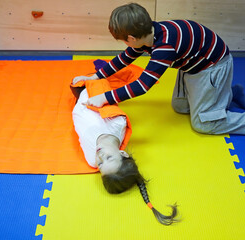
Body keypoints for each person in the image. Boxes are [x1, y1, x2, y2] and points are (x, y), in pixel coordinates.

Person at [72, 3, 245, 146]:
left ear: (132, 38)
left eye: (125, 41)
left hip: (212, 67)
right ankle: (227, 93)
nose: (126, 45)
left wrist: (105, 98)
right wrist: (95, 77)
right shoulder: (149, 33)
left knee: (203, 123)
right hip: (192, 66)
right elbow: (124, 58)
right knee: (179, 106)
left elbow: (143, 85)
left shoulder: (165, 46)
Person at [71, 85, 178, 225]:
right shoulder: (117, 123)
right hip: (91, 91)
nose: (100, 157)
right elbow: (102, 96)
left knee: (73, 86)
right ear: (122, 152)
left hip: (78, 101)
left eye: (101, 165)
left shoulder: (91, 159)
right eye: (109, 157)